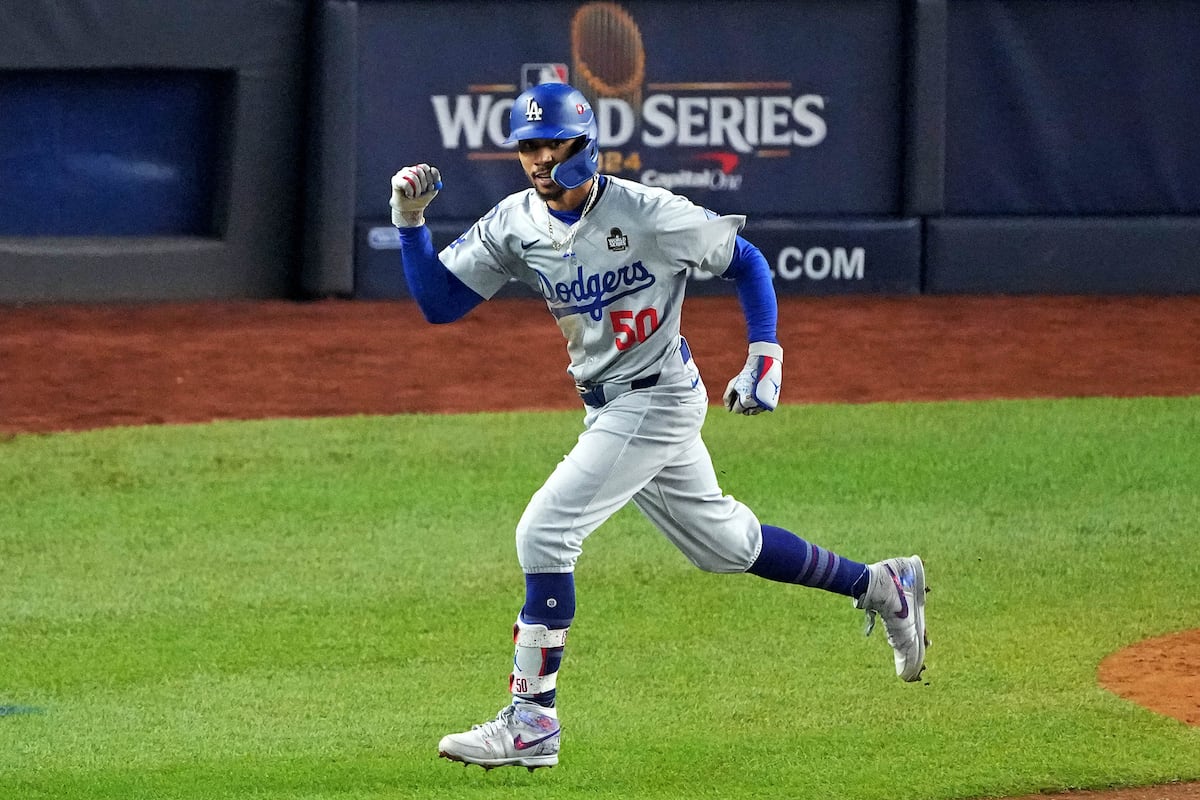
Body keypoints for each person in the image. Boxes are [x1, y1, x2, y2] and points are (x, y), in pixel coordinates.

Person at [390, 81, 928, 772]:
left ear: (585, 144)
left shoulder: (648, 213)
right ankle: (883, 584)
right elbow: (438, 303)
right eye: (528, 145)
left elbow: (747, 262)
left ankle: (532, 721)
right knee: (726, 545)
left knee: (544, 532)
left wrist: (765, 355)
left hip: (658, 398)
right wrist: (410, 223)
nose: (537, 158)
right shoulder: (515, 223)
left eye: (551, 143)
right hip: (608, 402)